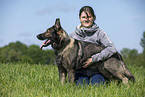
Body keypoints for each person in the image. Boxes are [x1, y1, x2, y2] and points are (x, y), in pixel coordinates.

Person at [69, 6, 117, 86]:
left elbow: (111, 49)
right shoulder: (73, 35)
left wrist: (93, 59)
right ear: (79, 18)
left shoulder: (100, 33)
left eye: (89, 17)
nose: (86, 19)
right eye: (83, 17)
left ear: (94, 18)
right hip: (79, 71)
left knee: (98, 86)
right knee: (81, 87)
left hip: (97, 71)